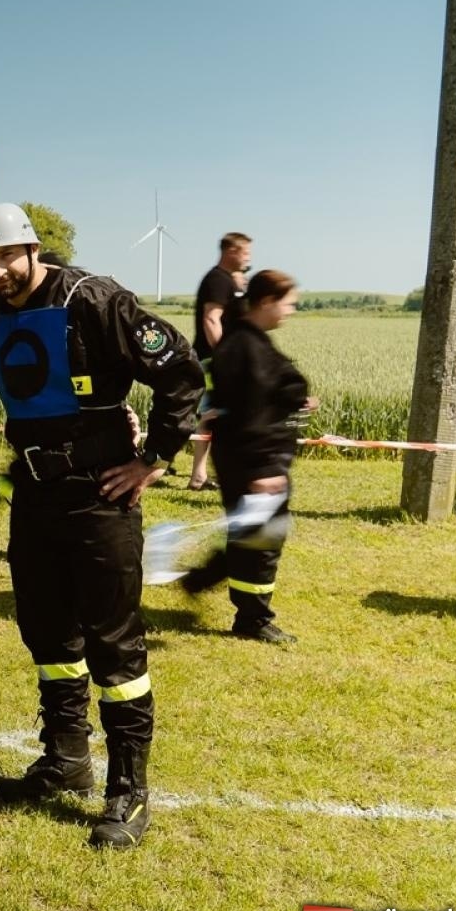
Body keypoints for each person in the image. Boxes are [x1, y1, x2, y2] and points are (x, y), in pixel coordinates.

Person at [0, 202, 202, 850]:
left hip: (100, 499)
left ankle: (128, 791)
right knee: (45, 632)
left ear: (32, 249)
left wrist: (152, 459)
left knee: (114, 647)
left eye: (5, 256)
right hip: (34, 499)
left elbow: (181, 372)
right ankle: (65, 759)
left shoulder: (95, 299)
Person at [181, 269, 311, 644]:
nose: (292, 311)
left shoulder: (248, 341)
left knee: (251, 534)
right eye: (289, 303)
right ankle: (252, 618)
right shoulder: (245, 348)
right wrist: (264, 469)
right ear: (267, 301)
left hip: (253, 460)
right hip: (256, 462)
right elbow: (248, 415)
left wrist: (295, 398)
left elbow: (264, 395)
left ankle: (204, 581)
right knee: (262, 541)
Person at [188, 233, 252, 490]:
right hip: (212, 359)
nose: (249, 258)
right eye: (246, 252)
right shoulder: (217, 280)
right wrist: (223, 357)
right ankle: (202, 475)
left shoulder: (229, 281)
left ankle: (200, 475)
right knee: (215, 414)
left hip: (219, 358)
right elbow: (211, 320)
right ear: (232, 251)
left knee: (214, 414)